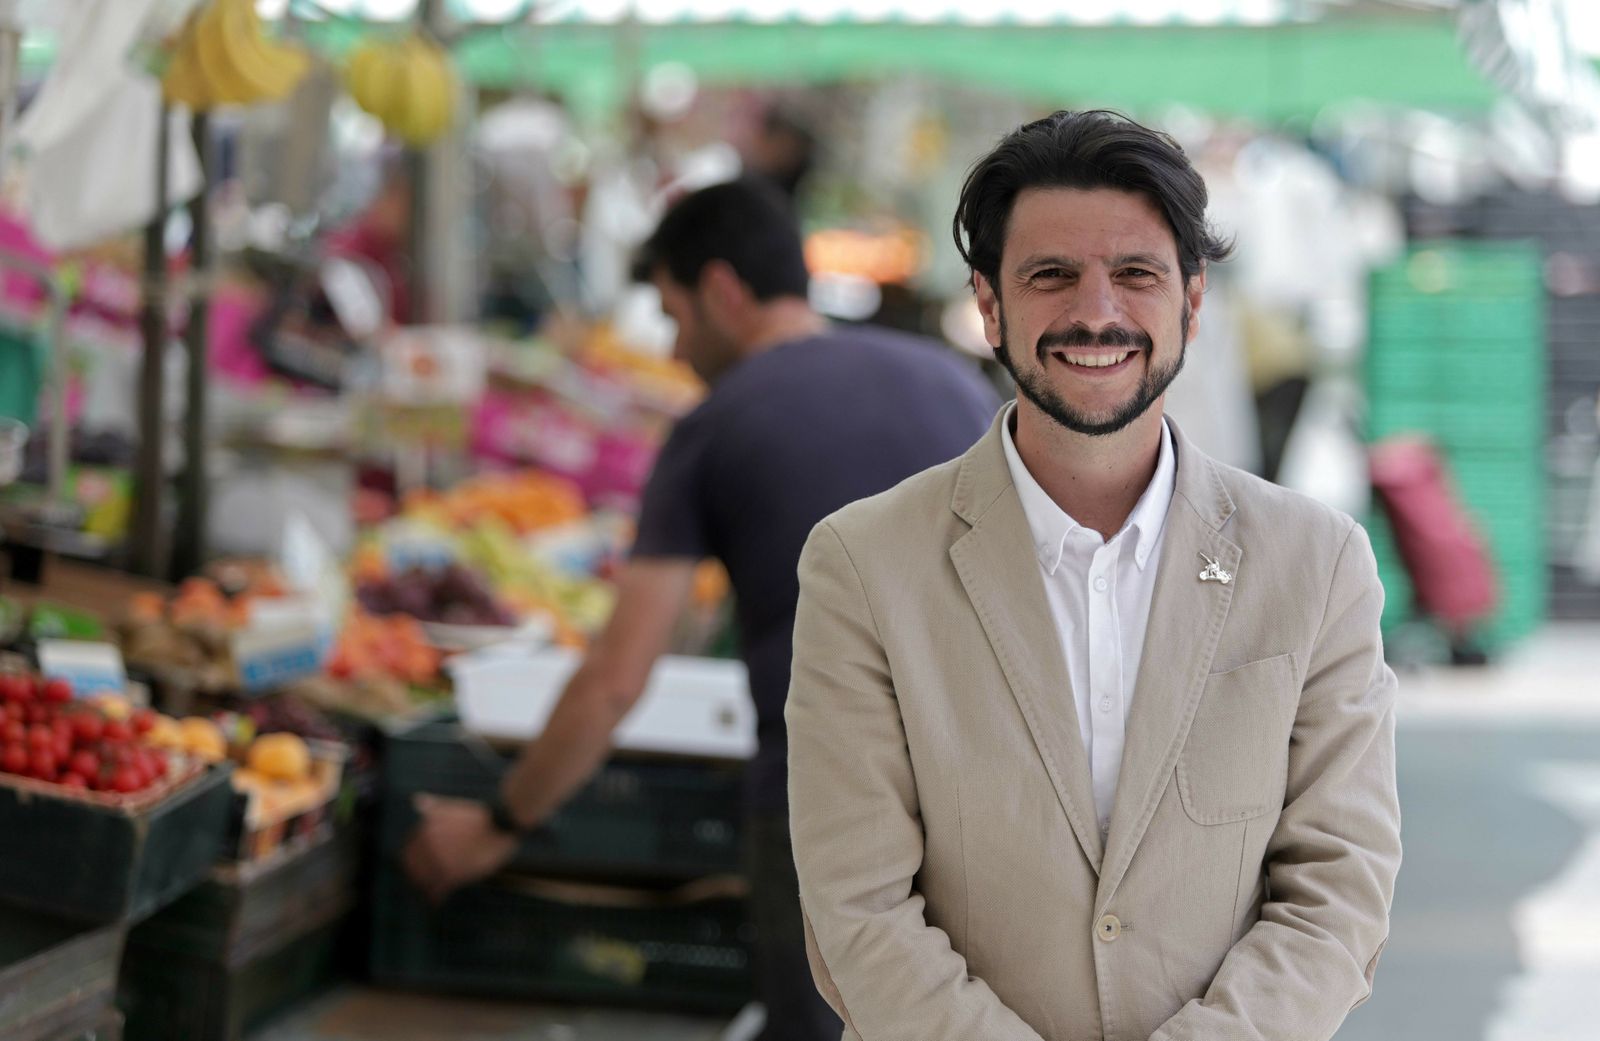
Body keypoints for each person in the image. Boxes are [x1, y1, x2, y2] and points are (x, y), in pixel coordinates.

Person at [786, 110, 1402, 1041]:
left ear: (1192, 304)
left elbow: (1337, 890)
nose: (1098, 312)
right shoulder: (864, 565)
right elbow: (857, 907)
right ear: (989, 305)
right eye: (1050, 275)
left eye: (1137, 274)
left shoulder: (1315, 564)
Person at [402, 177, 1000, 1040]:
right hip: (1002, 782)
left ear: (722, 291)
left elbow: (617, 678)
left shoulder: (717, 424)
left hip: (828, 796)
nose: (678, 350)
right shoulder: (950, 383)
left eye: (676, 316)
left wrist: (497, 825)